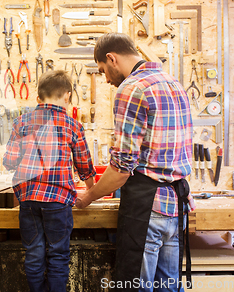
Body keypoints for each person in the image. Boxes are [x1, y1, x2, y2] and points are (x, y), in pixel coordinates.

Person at [76, 33, 195, 292]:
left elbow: (121, 168)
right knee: (169, 289)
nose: (106, 79)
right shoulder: (173, 83)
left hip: (147, 209)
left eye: (102, 71)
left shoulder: (131, 89)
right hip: (176, 205)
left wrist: (88, 196)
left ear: (111, 58)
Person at [3, 70, 96, 292]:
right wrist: (91, 191)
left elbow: (9, 161)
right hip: (58, 201)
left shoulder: (21, 122)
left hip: (28, 199)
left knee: (34, 254)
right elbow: (84, 166)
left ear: (38, 98)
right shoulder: (72, 125)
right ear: (68, 96)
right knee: (58, 255)